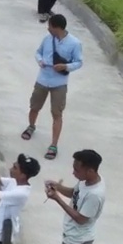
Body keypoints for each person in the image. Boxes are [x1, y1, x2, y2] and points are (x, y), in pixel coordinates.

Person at [21, 14, 83, 161]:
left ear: (57, 27)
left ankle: (53, 144)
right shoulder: (47, 39)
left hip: (59, 83)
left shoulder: (74, 43)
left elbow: (79, 62)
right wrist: (40, 60)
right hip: (43, 79)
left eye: (50, 26)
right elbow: (38, 52)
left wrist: (65, 66)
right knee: (34, 106)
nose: (48, 28)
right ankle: (31, 126)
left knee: (57, 113)